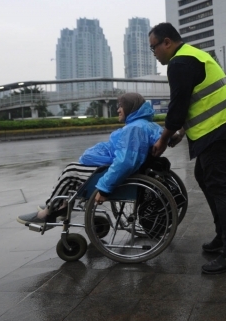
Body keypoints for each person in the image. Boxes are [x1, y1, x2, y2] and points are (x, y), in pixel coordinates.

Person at [149, 22, 226, 275]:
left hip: (218, 127)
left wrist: (163, 139)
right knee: (204, 177)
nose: (154, 53)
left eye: (154, 48)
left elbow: (178, 106)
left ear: (167, 42)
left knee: (218, 185)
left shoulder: (179, 63)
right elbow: (197, 101)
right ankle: (223, 238)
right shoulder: (193, 55)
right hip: (219, 125)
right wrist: (182, 132)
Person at [17, 93, 162, 226]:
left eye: (121, 106)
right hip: (125, 170)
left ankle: (47, 213)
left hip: (122, 176)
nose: (118, 109)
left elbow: (125, 162)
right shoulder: (145, 124)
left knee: (71, 171)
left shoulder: (134, 129)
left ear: (131, 108)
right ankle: (60, 205)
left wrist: (104, 189)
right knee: (76, 169)